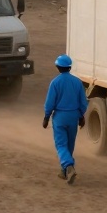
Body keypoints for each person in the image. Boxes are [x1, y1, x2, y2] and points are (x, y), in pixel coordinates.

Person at [42, 54, 88, 185]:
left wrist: (46, 117)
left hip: (60, 117)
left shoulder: (55, 82)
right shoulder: (77, 82)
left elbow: (50, 103)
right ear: (69, 67)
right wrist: (81, 116)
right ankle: (64, 171)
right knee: (69, 144)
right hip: (74, 116)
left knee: (61, 144)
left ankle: (69, 166)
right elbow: (83, 103)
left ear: (57, 67)